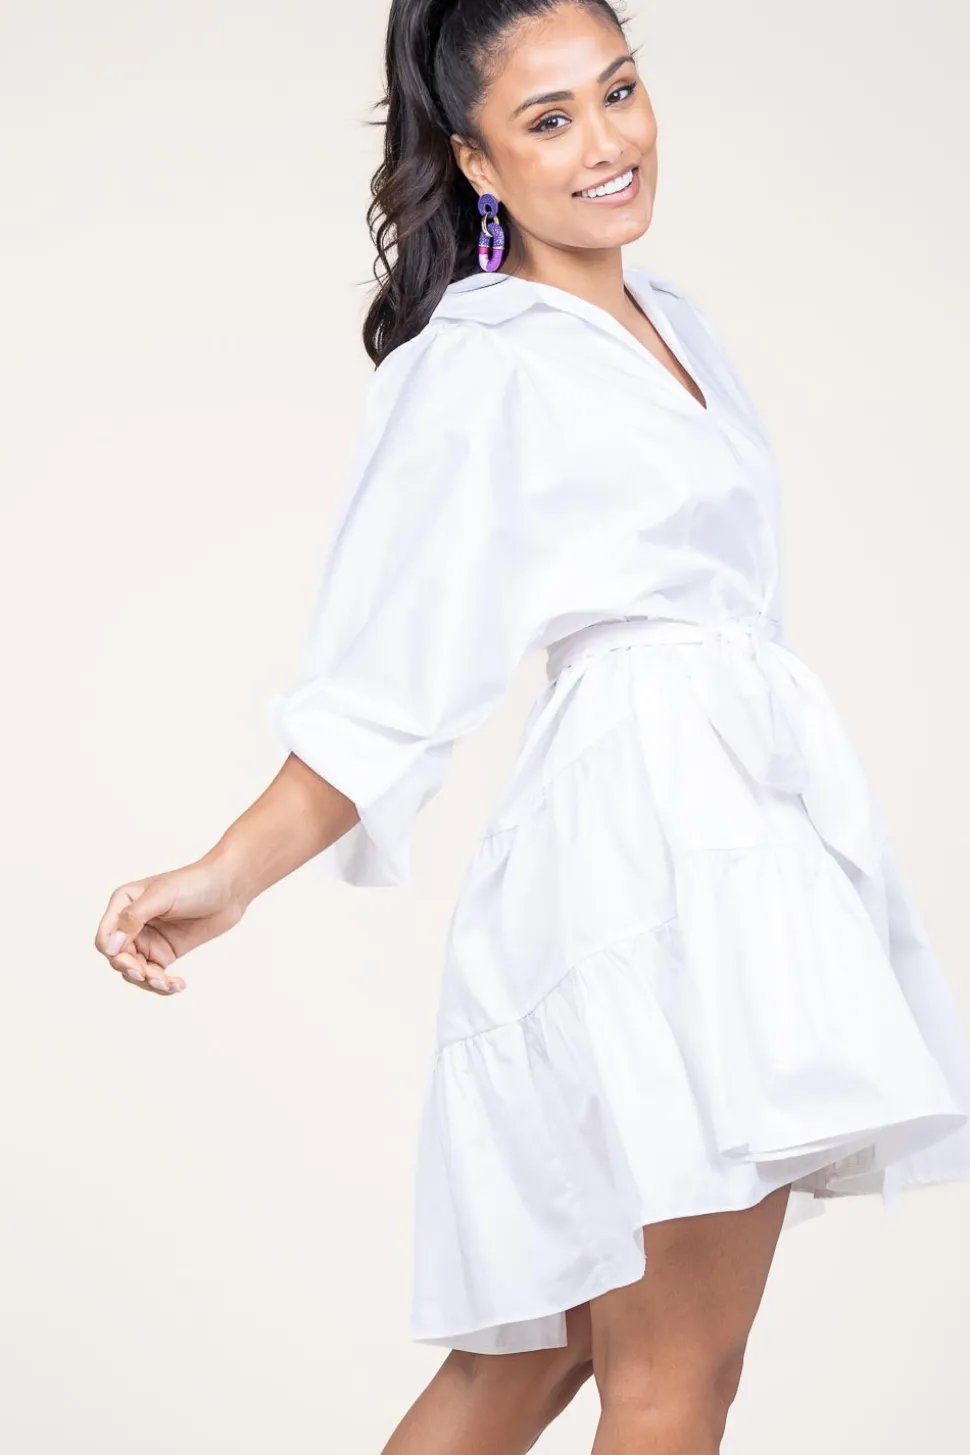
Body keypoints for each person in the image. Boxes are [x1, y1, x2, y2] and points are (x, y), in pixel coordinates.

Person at [94, 1, 970, 1451]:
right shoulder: (483, 361)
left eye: (618, 91)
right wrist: (227, 874)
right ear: (476, 160)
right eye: (548, 119)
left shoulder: (668, 321)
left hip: (719, 825)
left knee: (539, 1357)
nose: (607, 142)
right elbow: (389, 677)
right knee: (673, 1369)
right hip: (655, 856)